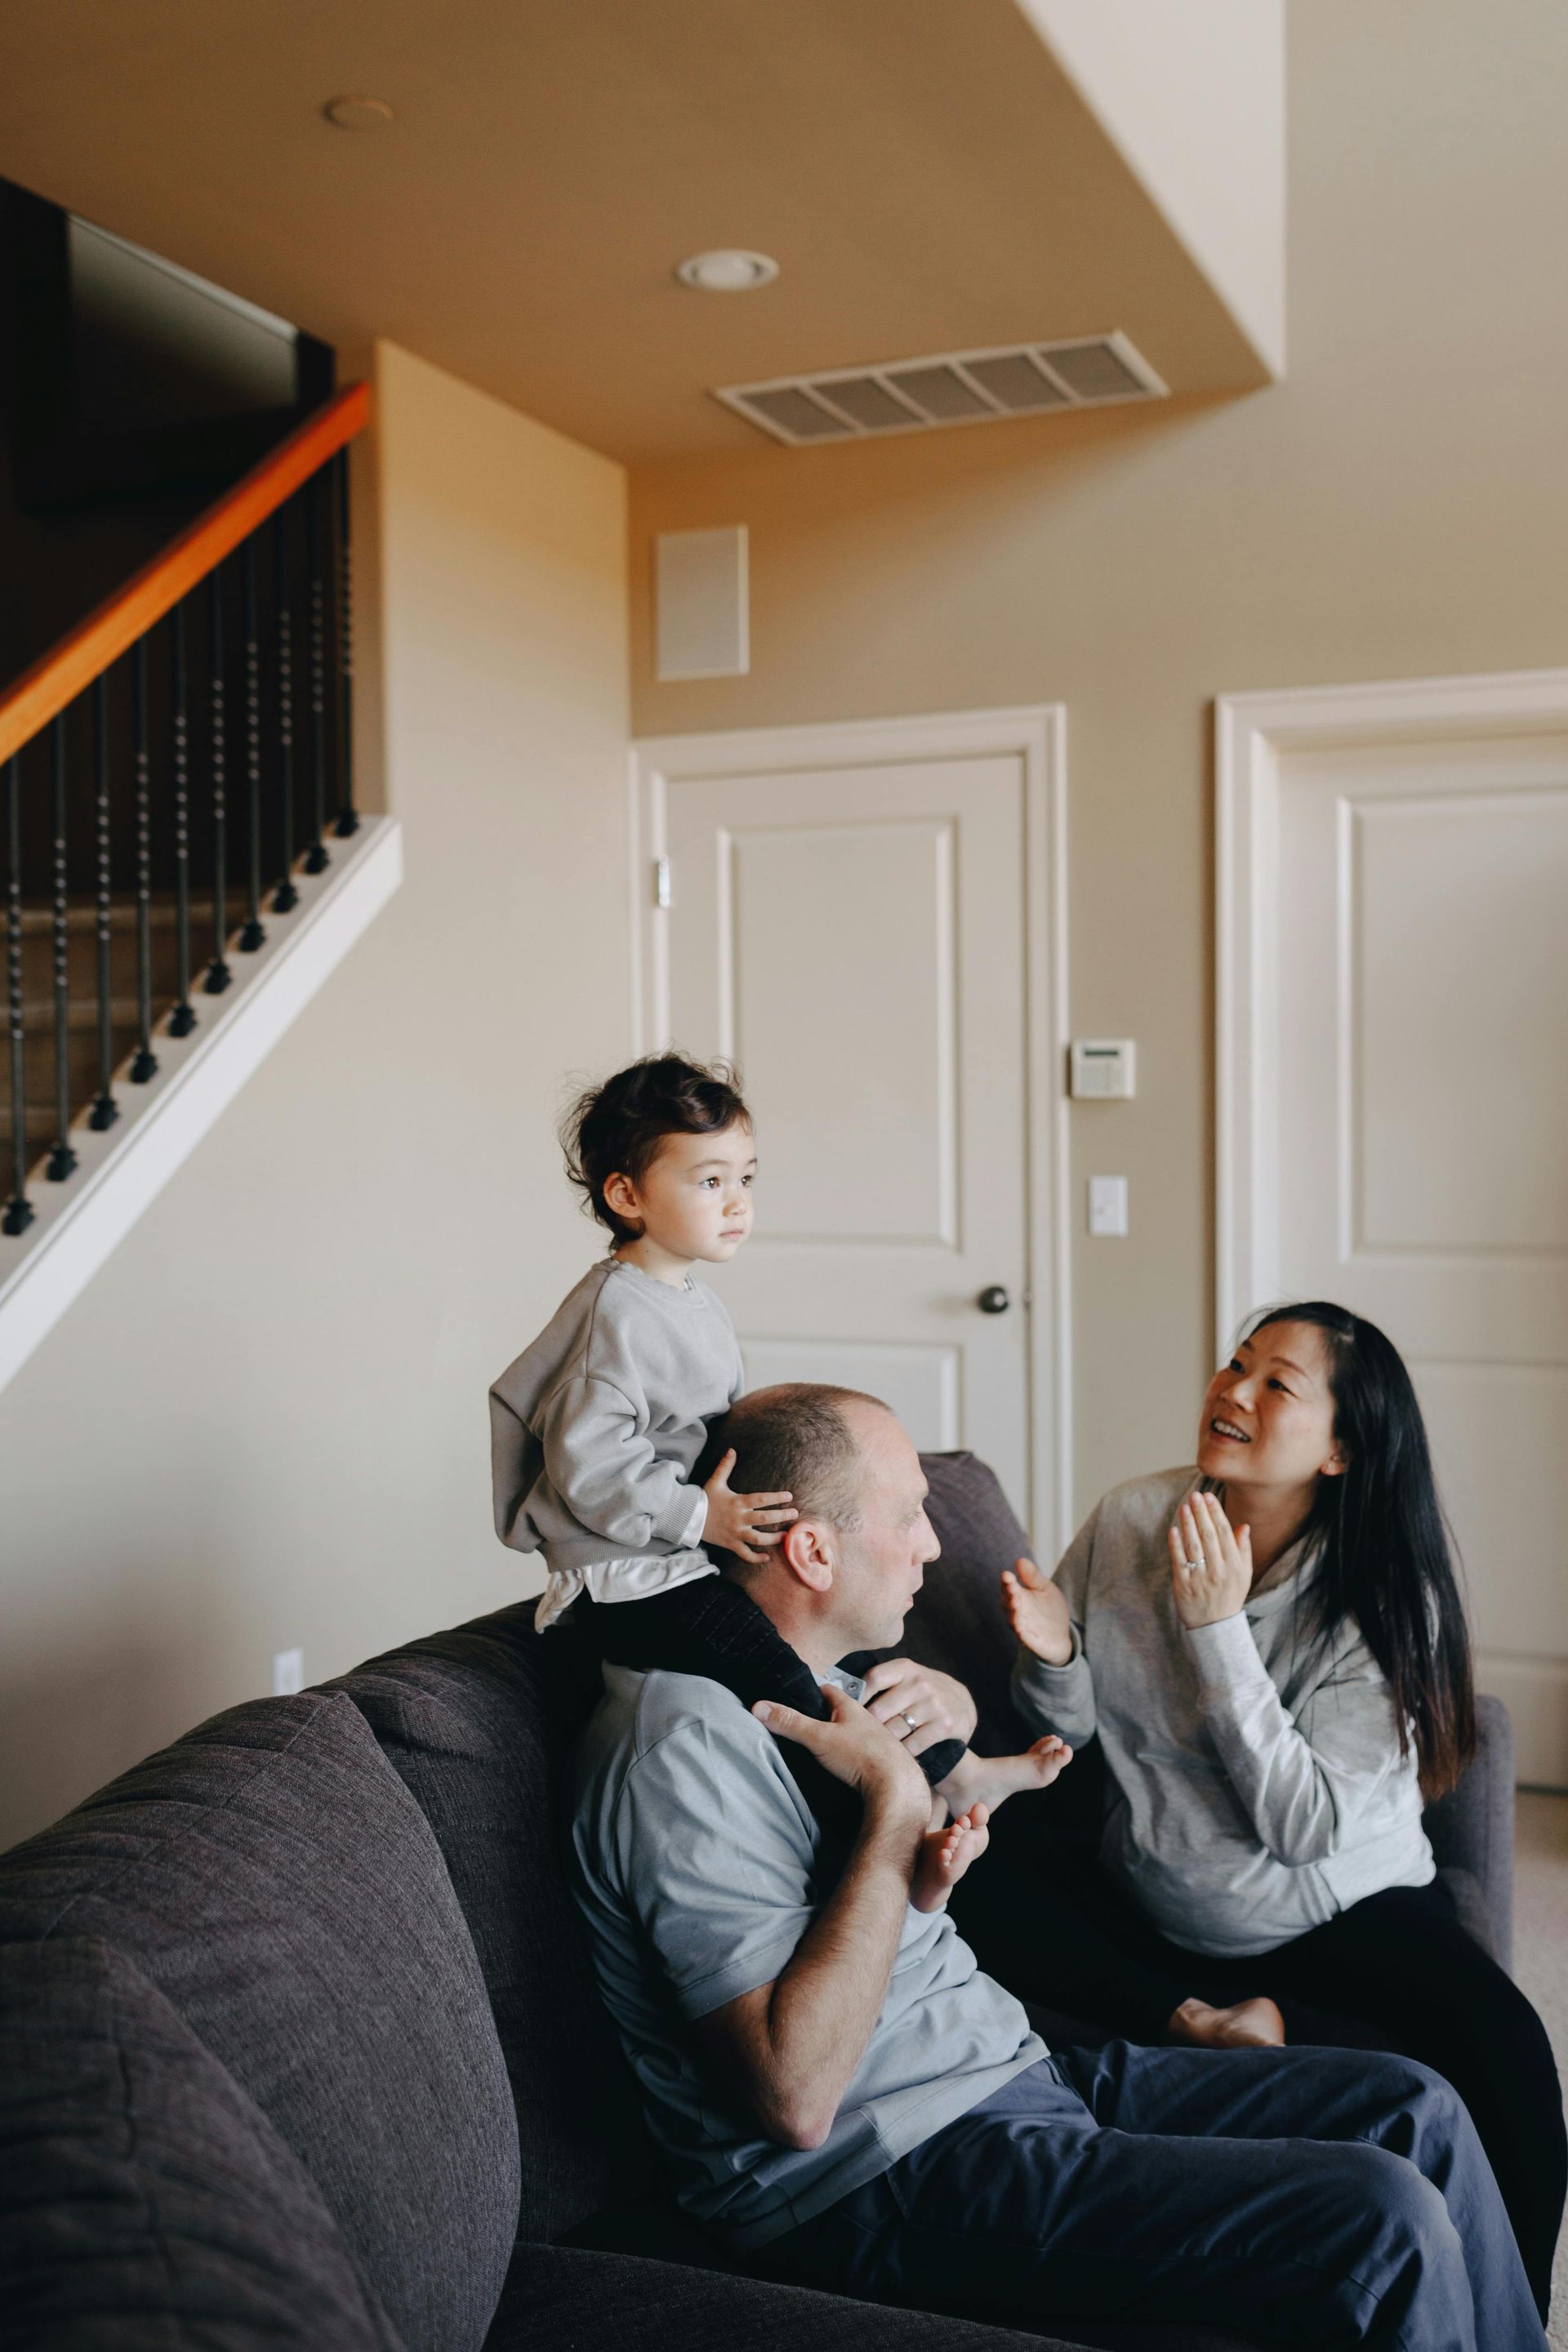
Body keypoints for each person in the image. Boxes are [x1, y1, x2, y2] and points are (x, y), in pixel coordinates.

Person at [568, 1379, 1544, 2351]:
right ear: (813, 1551)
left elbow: (874, 1912)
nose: (932, 1545)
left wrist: (928, 1839)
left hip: (1007, 2077)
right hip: (880, 2174)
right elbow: (796, 2098)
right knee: (1380, 2214)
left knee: (1416, 2108)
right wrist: (895, 1814)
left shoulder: (810, 1684)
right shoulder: (682, 1747)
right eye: (908, 1516)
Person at [984, 1301, 1565, 2321]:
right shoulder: (1133, 1517)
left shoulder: (1384, 1591)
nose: (1234, 1390)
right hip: (1163, 1888)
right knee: (973, 1871)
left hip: (1336, 1905)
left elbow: (1301, 1827)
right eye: (1235, 1364)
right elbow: (1067, 1731)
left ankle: (1508, 2319)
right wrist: (1058, 1656)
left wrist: (1217, 1631)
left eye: (1277, 1383)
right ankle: (1207, 2019)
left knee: (1506, 2050)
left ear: (1340, 1451)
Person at [488, 1053, 1067, 1908]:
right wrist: (698, 1516)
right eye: (709, 1180)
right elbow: (588, 1463)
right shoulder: (615, 1315)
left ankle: (957, 1769)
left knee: (845, 1638)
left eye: (746, 1178)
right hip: (629, 1575)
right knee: (780, 1678)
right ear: (626, 1195)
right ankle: (876, 1831)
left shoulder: (687, 1298)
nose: (737, 1202)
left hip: (681, 1546)